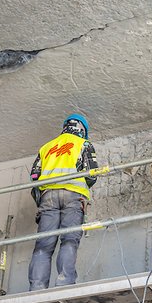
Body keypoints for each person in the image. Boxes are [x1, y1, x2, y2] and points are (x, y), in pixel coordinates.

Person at [28, 114, 98, 290]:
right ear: (82, 130)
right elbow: (93, 173)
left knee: (43, 246)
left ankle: (37, 287)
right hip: (73, 195)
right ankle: (64, 284)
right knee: (69, 241)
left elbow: (34, 176)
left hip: (48, 197)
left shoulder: (46, 148)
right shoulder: (84, 144)